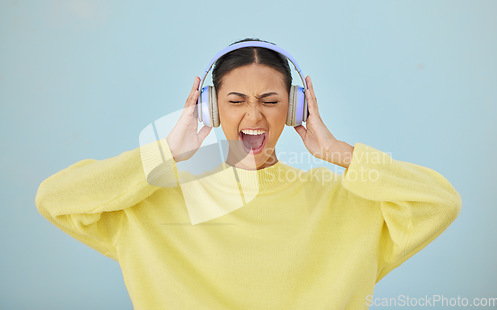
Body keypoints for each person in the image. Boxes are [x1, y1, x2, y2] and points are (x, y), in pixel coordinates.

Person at [35, 38, 462, 309]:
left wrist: (337, 151)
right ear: (210, 108)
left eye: (271, 101)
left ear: (296, 109)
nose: (254, 115)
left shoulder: (343, 200)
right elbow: (55, 198)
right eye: (236, 100)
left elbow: (439, 202)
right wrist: (165, 153)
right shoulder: (156, 198)